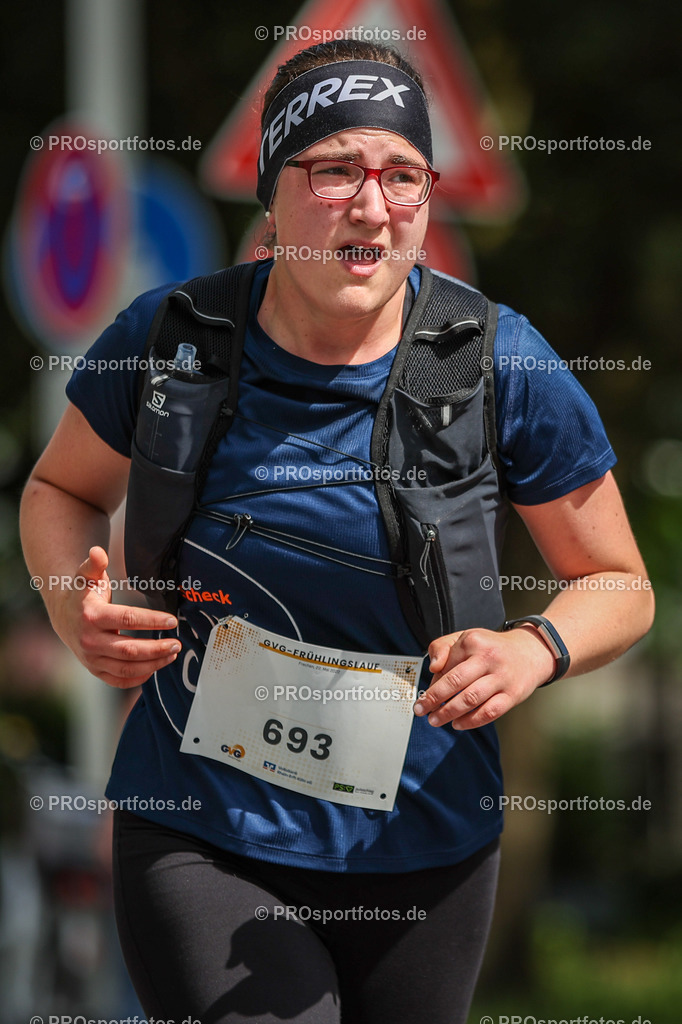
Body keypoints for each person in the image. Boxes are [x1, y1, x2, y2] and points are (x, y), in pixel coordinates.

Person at [20, 40, 654, 1024]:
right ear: (274, 192)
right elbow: (59, 488)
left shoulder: (495, 361)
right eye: (335, 171)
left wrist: (535, 649)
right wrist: (73, 609)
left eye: (402, 175)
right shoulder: (171, 338)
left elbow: (619, 580)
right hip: (203, 821)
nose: (373, 204)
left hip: (426, 840)